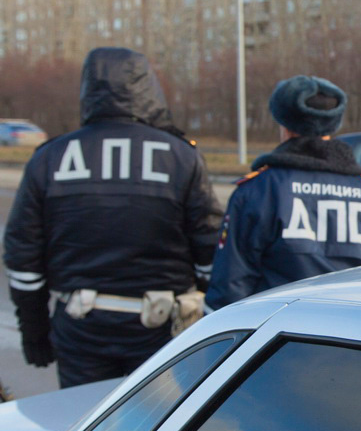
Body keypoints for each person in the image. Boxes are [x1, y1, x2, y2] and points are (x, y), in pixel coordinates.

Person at [3, 47, 222, 388]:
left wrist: (34, 329)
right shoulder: (180, 155)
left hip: (80, 328)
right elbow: (210, 251)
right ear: (147, 88)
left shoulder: (51, 157)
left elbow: (23, 257)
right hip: (163, 327)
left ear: (87, 89)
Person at [205, 75, 361, 311]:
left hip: (278, 338)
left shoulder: (259, 190)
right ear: (333, 124)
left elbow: (230, 282)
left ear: (284, 125)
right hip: (350, 334)